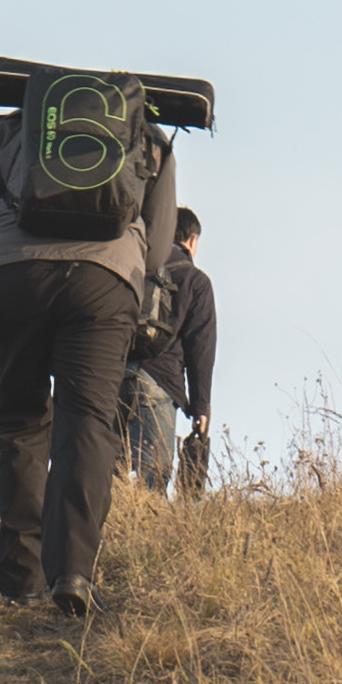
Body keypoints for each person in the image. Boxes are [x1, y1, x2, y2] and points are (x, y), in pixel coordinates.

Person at [0, 76, 182, 615]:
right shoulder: (147, 137)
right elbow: (159, 245)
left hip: (15, 273)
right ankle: (73, 573)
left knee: (20, 417)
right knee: (87, 420)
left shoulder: (1, 134)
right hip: (106, 279)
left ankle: (22, 576)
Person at [123, 204, 217, 499]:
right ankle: (148, 528)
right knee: (153, 478)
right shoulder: (195, 281)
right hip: (159, 381)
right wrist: (200, 407)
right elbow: (201, 349)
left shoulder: (132, 267)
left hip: (112, 377)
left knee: (107, 474)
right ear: (192, 240)